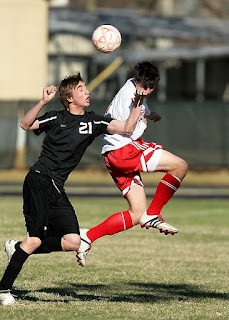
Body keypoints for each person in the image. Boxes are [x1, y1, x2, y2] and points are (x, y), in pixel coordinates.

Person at [0, 72, 144, 305]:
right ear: (68, 97)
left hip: (57, 186)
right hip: (39, 179)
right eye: (81, 89)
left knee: (73, 241)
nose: (87, 92)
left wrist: (137, 104)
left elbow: (127, 127)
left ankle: (17, 249)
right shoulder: (55, 117)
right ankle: (3, 290)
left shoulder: (94, 121)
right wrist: (43, 102)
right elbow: (25, 124)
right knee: (35, 239)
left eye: (86, 88)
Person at [76, 61, 188, 267]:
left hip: (112, 155)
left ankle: (88, 236)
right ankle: (154, 214)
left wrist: (149, 113)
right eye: (144, 87)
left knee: (137, 213)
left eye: (150, 88)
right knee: (180, 166)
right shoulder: (132, 97)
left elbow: (139, 106)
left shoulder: (133, 87)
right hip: (124, 151)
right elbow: (129, 129)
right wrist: (143, 122)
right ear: (136, 81)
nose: (146, 91)